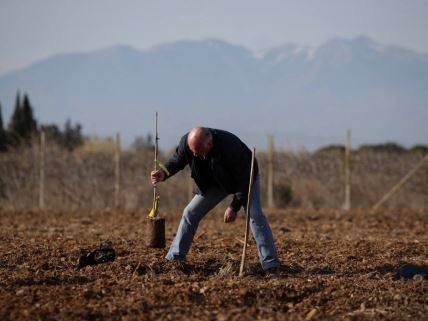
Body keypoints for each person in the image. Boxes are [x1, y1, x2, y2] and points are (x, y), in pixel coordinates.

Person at [151, 127, 280, 272]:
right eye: (192, 150)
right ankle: (175, 258)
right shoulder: (187, 143)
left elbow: (244, 180)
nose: (194, 154)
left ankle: (271, 264)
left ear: (209, 145)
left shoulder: (231, 147)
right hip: (214, 181)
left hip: (245, 179)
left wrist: (234, 207)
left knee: (254, 215)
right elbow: (177, 160)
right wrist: (164, 173)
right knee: (190, 212)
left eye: (197, 152)